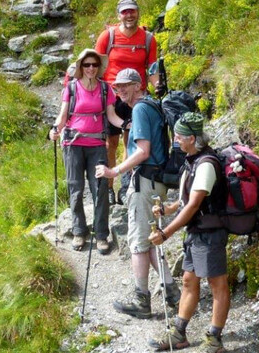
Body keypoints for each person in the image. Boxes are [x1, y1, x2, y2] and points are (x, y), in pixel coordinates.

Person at [95, 68, 180, 318]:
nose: (119, 90)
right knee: (148, 240)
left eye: (125, 85)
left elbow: (143, 150)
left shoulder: (141, 109)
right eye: (117, 86)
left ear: (137, 85)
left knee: (138, 244)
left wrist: (115, 171)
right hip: (155, 181)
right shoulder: (151, 106)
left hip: (144, 181)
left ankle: (141, 300)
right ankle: (172, 291)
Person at [146, 112, 230, 353]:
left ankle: (214, 340)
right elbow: (186, 201)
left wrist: (166, 232)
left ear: (193, 138)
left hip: (210, 233)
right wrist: (168, 209)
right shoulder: (192, 161)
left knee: (218, 284)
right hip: (197, 233)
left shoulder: (205, 165)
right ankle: (179, 332)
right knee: (188, 281)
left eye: (179, 136)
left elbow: (194, 206)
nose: (176, 140)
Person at [49, 49, 124, 254]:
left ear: (99, 67)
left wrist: (127, 124)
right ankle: (79, 231)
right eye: (86, 65)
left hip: (97, 145)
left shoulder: (105, 89)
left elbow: (111, 116)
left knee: (99, 188)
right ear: (81, 67)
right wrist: (55, 129)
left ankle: (101, 235)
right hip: (72, 145)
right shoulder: (71, 88)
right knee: (76, 189)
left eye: (94, 64)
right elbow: (63, 116)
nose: (91, 68)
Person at [95, 0, 160, 206]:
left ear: (138, 13)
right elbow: (95, 65)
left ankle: (126, 186)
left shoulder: (148, 39)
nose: (129, 16)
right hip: (111, 95)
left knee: (131, 141)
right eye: (125, 12)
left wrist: (157, 87)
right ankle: (108, 188)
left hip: (135, 96)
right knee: (109, 144)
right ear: (119, 15)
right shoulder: (108, 36)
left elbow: (152, 68)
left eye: (132, 12)